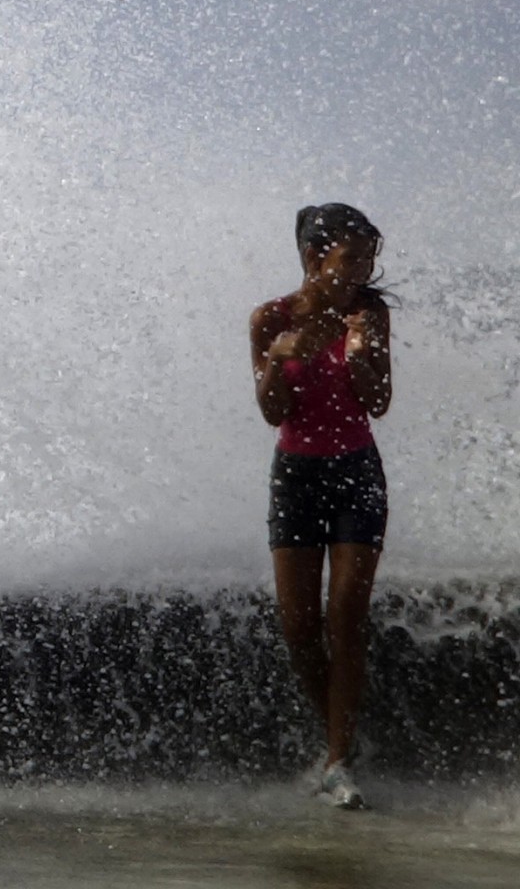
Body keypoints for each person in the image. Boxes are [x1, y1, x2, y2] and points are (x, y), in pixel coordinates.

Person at [250, 203, 393, 810]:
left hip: (357, 470)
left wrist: (360, 353)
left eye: (368, 259)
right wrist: (282, 358)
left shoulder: (369, 312)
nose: (361, 271)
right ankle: (341, 730)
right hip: (297, 476)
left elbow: (380, 401)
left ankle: (337, 763)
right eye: (350, 259)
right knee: (299, 625)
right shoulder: (270, 317)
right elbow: (271, 411)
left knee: (346, 613)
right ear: (314, 256)